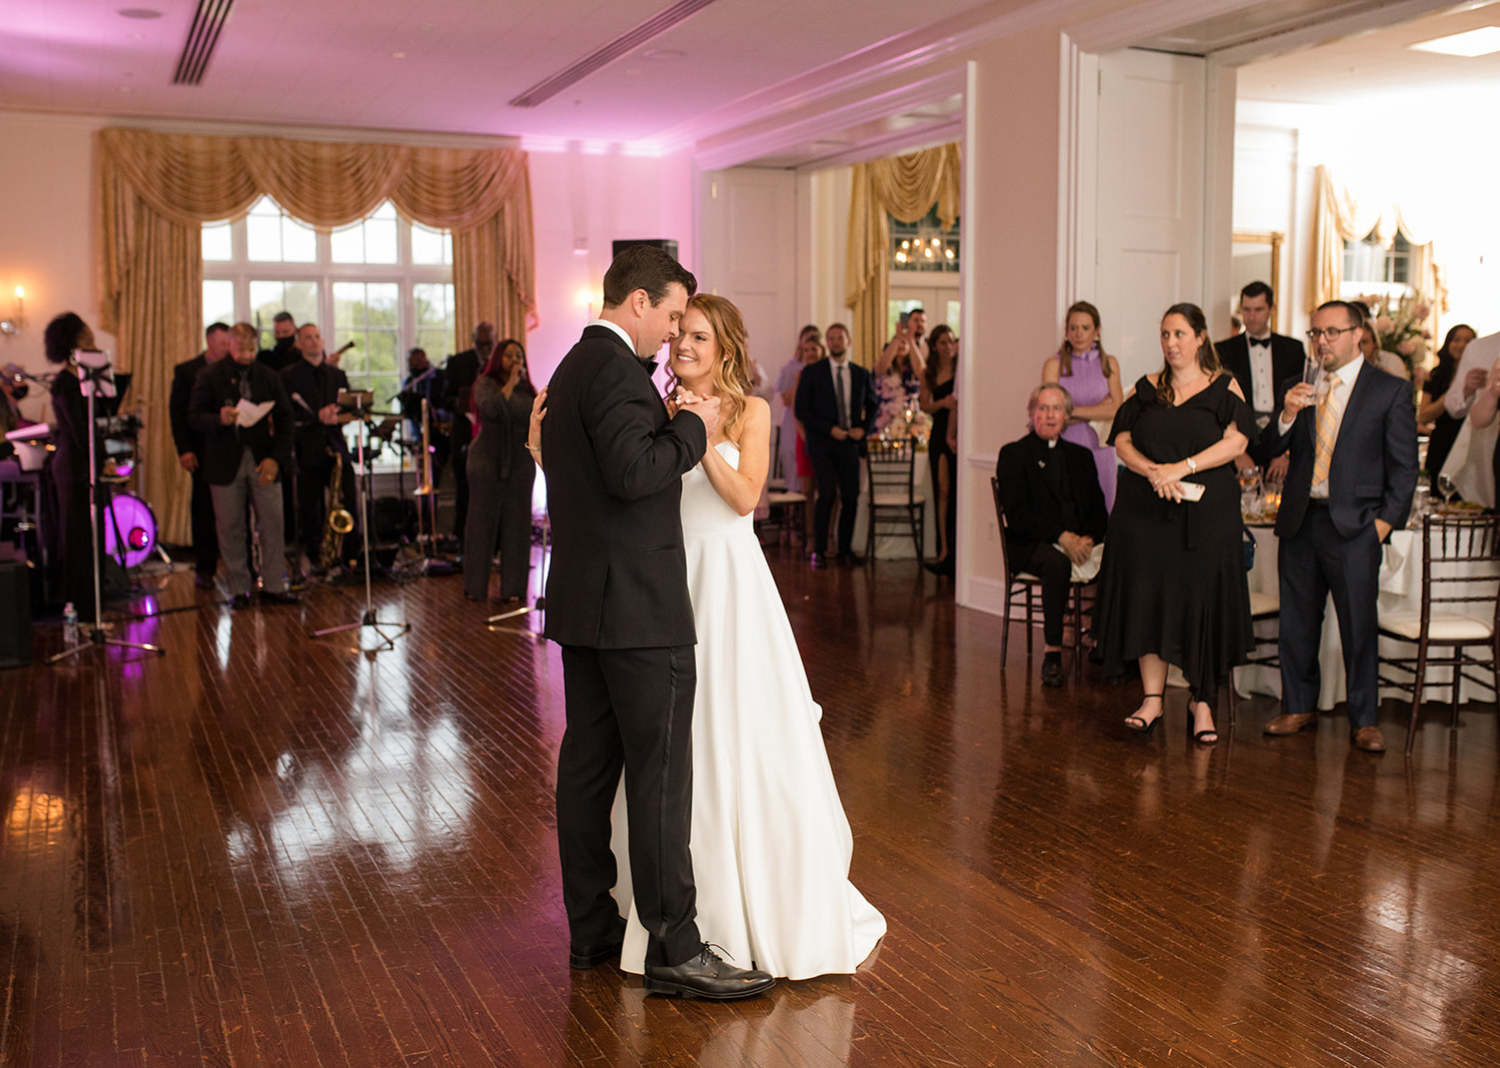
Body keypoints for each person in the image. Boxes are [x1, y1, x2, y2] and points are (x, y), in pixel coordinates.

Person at [531, 292, 885, 980]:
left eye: (696, 336)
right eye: (678, 334)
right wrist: (679, 427)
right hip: (658, 582)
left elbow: (746, 497)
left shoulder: (749, 411)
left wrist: (700, 436)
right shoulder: (649, 406)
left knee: (730, 731)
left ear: (724, 347)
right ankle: (660, 910)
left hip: (725, 581)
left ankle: (733, 903)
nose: (681, 346)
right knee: (662, 751)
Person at [536, 244, 772, 1000]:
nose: (673, 334)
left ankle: (594, 926)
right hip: (638, 609)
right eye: (672, 316)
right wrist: (697, 428)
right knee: (661, 778)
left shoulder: (575, 369)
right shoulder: (614, 372)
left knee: (588, 770)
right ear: (639, 302)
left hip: (588, 604)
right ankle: (674, 945)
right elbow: (637, 475)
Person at [1094, 303, 1256, 746]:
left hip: (1207, 514)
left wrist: (1180, 468)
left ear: (1201, 338)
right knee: (1148, 599)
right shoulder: (1145, 388)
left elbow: (1237, 441)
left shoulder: (1226, 386)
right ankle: (1151, 700)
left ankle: (1201, 702)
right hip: (1146, 514)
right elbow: (1121, 441)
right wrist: (1153, 472)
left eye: (1180, 334)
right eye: (1165, 334)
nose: (1171, 343)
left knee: (1201, 602)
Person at [1259, 301, 1418, 753]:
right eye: (1315, 334)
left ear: (1356, 334)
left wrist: (1382, 527)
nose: (1321, 341)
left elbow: (1405, 469)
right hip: (1300, 520)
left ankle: (1365, 719)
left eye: (1331, 332)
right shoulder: (1299, 385)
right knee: (1297, 623)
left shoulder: (1388, 390)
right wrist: (1286, 415)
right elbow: (1269, 445)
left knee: (1358, 625)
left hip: (1357, 526)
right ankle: (1298, 706)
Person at [995, 384, 1108, 687]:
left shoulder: (1082, 457)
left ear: (1067, 416)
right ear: (1032, 413)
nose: (1049, 415)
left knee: (1123, 552)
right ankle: (1053, 653)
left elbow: (1099, 511)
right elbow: (1019, 518)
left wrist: (1086, 539)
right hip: (1030, 545)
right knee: (1057, 563)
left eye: (1056, 409)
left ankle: (1105, 643)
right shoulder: (1013, 454)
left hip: (1078, 544)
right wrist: (1062, 537)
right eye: (1042, 408)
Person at [188, 323, 297, 610]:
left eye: (252, 349)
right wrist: (218, 418)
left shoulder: (269, 377)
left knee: (273, 522)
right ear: (229, 345)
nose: (247, 355)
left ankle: (274, 586)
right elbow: (194, 417)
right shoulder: (209, 376)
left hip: (263, 459)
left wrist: (276, 458)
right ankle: (239, 589)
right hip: (224, 461)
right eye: (242, 349)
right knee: (230, 527)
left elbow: (286, 420)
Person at [795, 322, 877, 568]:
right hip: (822, 444)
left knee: (850, 496)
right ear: (826, 343)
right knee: (827, 494)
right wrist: (829, 429)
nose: (835, 342)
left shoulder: (861, 374)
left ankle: (845, 550)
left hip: (850, 444)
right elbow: (802, 410)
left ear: (848, 340)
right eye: (830, 338)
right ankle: (819, 551)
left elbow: (873, 404)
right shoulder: (813, 372)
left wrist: (864, 428)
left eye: (839, 338)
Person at [462, 339, 537, 604]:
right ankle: (475, 588)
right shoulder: (485, 384)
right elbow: (491, 407)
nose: (515, 359)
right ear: (498, 359)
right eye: (509, 355)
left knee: (517, 527)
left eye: (519, 355)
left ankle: (514, 590)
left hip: (519, 463)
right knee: (481, 526)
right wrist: (510, 383)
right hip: (486, 462)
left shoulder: (529, 391)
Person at [44, 312, 107, 620]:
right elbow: (81, 431)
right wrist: (101, 462)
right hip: (74, 467)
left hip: (85, 464)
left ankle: (92, 609)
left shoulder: (84, 381)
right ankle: (78, 611)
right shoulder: (65, 383)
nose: (94, 345)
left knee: (91, 539)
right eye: (88, 340)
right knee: (77, 541)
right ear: (73, 346)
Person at [280, 323, 353, 571]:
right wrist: (316, 418)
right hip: (306, 448)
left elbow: (350, 409)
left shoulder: (337, 375)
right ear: (299, 343)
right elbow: (286, 417)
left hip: (336, 447)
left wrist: (338, 415)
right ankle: (316, 557)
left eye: (317, 337)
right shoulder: (288, 376)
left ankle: (349, 556)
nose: (314, 341)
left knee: (348, 499)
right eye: (307, 338)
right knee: (310, 508)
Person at [1215, 282, 1305, 474]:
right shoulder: (1223, 350)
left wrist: (1285, 452)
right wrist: (1236, 452)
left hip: (1281, 437)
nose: (1251, 317)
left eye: (1258, 310)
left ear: (1272, 309)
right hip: (1240, 440)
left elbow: (1304, 403)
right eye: (1246, 310)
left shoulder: (1293, 349)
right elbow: (1218, 404)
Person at [1042, 301, 1122, 509]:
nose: (1079, 334)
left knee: (1105, 512)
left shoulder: (1109, 363)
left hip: (1101, 449)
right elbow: (1050, 415)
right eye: (1073, 328)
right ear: (1066, 331)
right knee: (1071, 511)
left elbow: (1117, 410)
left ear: (1097, 331)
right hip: (1066, 447)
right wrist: (1098, 410)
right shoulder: (1054, 365)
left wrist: (1070, 411)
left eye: (1085, 328)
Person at [169, 322, 232, 588]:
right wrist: (185, 450)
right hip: (202, 451)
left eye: (230, 343)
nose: (228, 348)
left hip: (230, 450)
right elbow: (178, 415)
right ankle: (205, 567)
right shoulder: (187, 371)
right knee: (203, 509)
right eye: (223, 344)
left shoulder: (234, 370)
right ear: (209, 342)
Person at [442, 322, 496, 543]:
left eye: (488, 344)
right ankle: (463, 543)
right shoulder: (458, 362)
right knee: (465, 492)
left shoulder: (502, 362)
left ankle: (494, 544)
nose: (484, 349)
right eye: (480, 344)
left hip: (494, 437)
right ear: (473, 341)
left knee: (493, 493)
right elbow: (444, 398)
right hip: (465, 434)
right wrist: (462, 404)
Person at [920, 324, 959, 576]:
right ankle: (944, 549)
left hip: (958, 433)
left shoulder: (960, 368)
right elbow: (924, 406)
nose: (948, 346)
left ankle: (958, 553)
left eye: (951, 341)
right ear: (934, 345)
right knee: (942, 490)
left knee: (957, 491)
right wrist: (942, 403)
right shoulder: (928, 372)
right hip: (939, 433)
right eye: (943, 342)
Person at [1417, 324, 1476, 486]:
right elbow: (1423, 416)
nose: (1462, 345)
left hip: (1469, 443)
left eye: (1468, 341)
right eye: (1457, 340)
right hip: (1441, 442)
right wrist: (1452, 393)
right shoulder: (1435, 376)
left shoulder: (1479, 376)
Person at [398, 347, 450, 488]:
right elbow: (409, 415)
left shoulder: (440, 376)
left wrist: (439, 415)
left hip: (442, 435)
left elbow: (449, 404)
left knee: (441, 474)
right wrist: (417, 440)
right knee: (424, 477)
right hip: (422, 438)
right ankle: (427, 506)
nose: (414, 365)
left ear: (425, 360)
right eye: (411, 363)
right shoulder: (409, 383)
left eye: (417, 361)